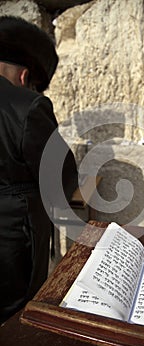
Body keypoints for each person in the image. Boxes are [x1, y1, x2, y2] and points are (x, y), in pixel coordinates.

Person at [0, 15, 78, 324]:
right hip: (11, 250)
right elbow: (61, 177)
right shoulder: (28, 106)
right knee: (14, 323)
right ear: (25, 77)